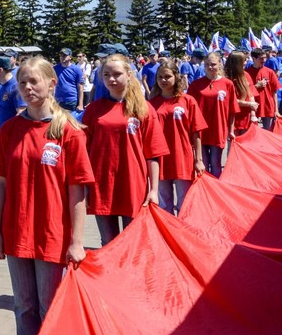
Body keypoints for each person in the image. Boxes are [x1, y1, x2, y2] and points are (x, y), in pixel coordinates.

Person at [0, 57, 93, 335]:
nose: (28, 88)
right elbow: (0, 184)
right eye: (22, 82)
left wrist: (76, 241)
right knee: (24, 307)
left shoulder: (69, 131)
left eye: (34, 81)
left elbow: (77, 191)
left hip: (52, 235)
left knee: (50, 307)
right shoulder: (11, 130)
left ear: (51, 83)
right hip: (16, 233)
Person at [81, 53, 168, 245]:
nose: (111, 79)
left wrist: (154, 190)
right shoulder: (94, 110)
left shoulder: (143, 108)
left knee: (133, 243)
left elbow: (153, 154)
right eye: (106, 75)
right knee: (109, 243)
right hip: (102, 186)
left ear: (129, 74)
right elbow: (83, 153)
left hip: (133, 185)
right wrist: (85, 188)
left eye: (117, 74)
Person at [149, 62, 206, 215]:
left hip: (182, 157)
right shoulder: (151, 104)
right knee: (164, 204)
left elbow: (196, 132)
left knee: (184, 203)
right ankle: (167, 230)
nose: (163, 80)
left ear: (176, 77)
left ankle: (183, 230)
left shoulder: (187, 101)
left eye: (167, 76)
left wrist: (199, 160)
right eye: (160, 77)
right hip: (160, 160)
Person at [187, 51, 239, 177]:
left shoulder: (227, 84)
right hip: (200, 131)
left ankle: (216, 188)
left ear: (220, 64)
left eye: (213, 64)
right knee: (203, 163)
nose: (210, 67)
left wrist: (231, 130)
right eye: (207, 64)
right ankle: (205, 188)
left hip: (218, 129)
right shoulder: (195, 85)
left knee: (216, 163)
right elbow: (188, 109)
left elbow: (232, 110)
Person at [0, 56, 25, 137]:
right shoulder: (1, 87)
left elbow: (21, 112)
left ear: (0, 70)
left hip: (13, 135)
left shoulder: (16, 87)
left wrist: (9, 133)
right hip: (3, 135)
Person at [223, 50, 258, 137]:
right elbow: (229, 100)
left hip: (246, 117)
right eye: (244, 60)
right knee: (233, 143)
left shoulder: (246, 75)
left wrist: (253, 115)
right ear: (237, 63)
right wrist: (248, 104)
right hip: (231, 118)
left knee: (246, 143)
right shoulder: (225, 78)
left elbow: (251, 95)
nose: (246, 62)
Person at [246, 47, 281, 130]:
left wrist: (276, 110)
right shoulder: (246, 73)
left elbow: (274, 92)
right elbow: (243, 91)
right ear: (253, 58)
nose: (264, 60)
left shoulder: (270, 72)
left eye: (265, 58)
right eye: (261, 58)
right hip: (252, 108)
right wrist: (256, 86)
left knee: (268, 132)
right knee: (253, 132)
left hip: (268, 107)